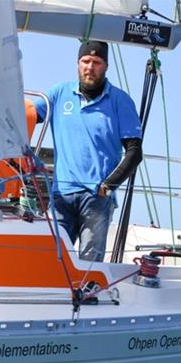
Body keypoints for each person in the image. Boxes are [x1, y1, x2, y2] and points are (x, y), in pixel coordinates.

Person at [33, 40, 143, 262]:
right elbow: (26, 117)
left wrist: (108, 186)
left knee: (89, 265)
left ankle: (86, 297)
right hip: (61, 194)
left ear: (106, 66)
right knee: (51, 260)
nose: (90, 67)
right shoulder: (58, 94)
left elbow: (134, 152)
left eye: (97, 62)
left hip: (96, 197)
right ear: (77, 63)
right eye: (85, 61)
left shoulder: (120, 101)